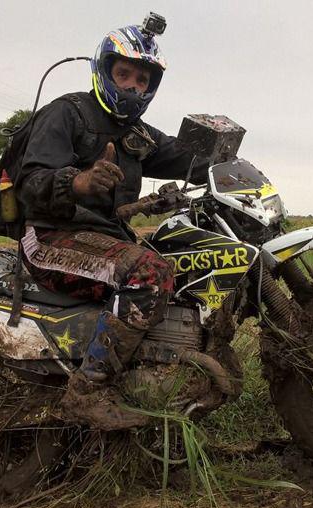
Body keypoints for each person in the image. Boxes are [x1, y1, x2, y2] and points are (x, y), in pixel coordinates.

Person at [15, 22, 207, 394]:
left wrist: (227, 162)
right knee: (150, 274)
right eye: (124, 74)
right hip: (50, 238)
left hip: (102, 238)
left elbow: (185, 158)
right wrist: (77, 182)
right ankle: (89, 390)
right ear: (104, 71)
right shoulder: (66, 113)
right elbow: (29, 182)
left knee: (183, 261)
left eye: (142, 79)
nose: (133, 86)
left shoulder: (136, 133)